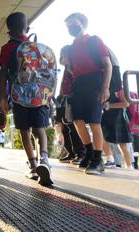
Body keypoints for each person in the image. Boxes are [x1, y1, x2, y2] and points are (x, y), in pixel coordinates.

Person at [0, 12, 52, 185]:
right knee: (40, 129)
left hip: (19, 95)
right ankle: (44, 159)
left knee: (24, 130)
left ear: (8, 31)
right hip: (38, 94)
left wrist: (2, 96)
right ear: (27, 28)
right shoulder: (37, 47)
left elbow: (3, 73)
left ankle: (33, 166)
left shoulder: (7, 48)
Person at [65, 12, 112, 175]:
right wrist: (68, 65)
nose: (71, 27)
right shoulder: (71, 47)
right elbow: (72, 71)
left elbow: (108, 65)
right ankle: (89, 152)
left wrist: (105, 88)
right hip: (78, 83)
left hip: (94, 81)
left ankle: (98, 160)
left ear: (83, 23)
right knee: (77, 120)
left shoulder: (94, 41)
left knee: (94, 121)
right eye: (68, 25)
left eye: (73, 24)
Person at [56, 45, 85, 164]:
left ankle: (80, 153)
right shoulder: (66, 68)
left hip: (72, 98)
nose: (62, 58)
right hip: (63, 98)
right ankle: (71, 152)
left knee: (73, 127)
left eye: (64, 55)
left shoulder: (74, 67)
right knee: (65, 126)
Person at [102, 89, 133, 168]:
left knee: (122, 144)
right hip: (106, 117)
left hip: (118, 118)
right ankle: (110, 160)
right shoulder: (102, 87)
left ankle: (129, 167)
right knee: (100, 137)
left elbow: (126, 103)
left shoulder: (120, 88)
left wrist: (109, 105)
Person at [127, 91, 139, 169]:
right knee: (135, 148)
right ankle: (134, 165)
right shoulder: (133, 94)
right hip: (134, 125)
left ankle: (134, 165)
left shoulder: (131, 94)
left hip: (133, 125)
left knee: (134, 148)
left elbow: (131, 111)